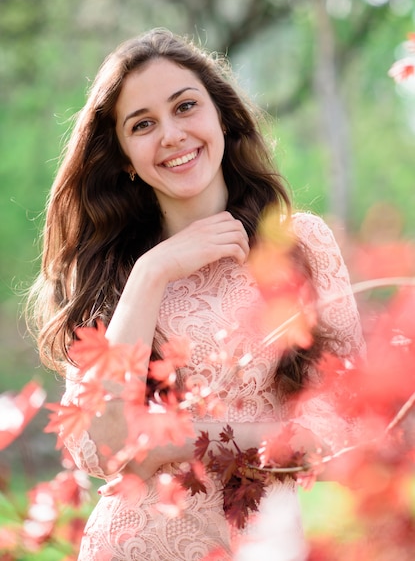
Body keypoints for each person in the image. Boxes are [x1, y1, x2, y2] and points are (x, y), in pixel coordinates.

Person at [28, 28, 365, 560]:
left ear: (222, 119)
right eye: (143, 124)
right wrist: (152, 273)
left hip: (271, 545)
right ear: (122, 159)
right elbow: (105, 444)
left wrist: (183, 438)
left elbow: (343, 424)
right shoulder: (107, 277)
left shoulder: (304, 245)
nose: (171, 134)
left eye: (185, 107)